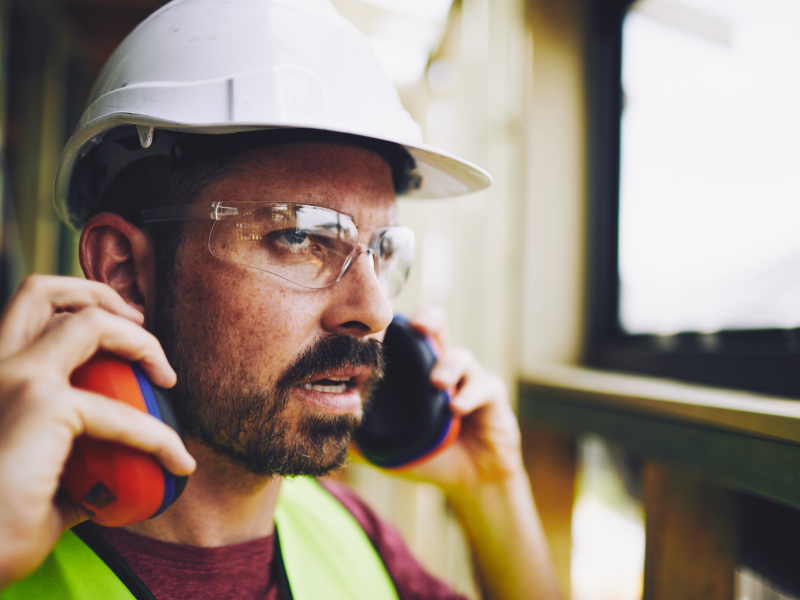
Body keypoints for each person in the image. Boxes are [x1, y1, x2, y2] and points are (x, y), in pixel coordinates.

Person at [0, 0, 561, 598]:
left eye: (381, 250)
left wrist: (491, 492)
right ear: (125, 271)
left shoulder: (357, 536)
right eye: (298, 237)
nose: (374, 312)